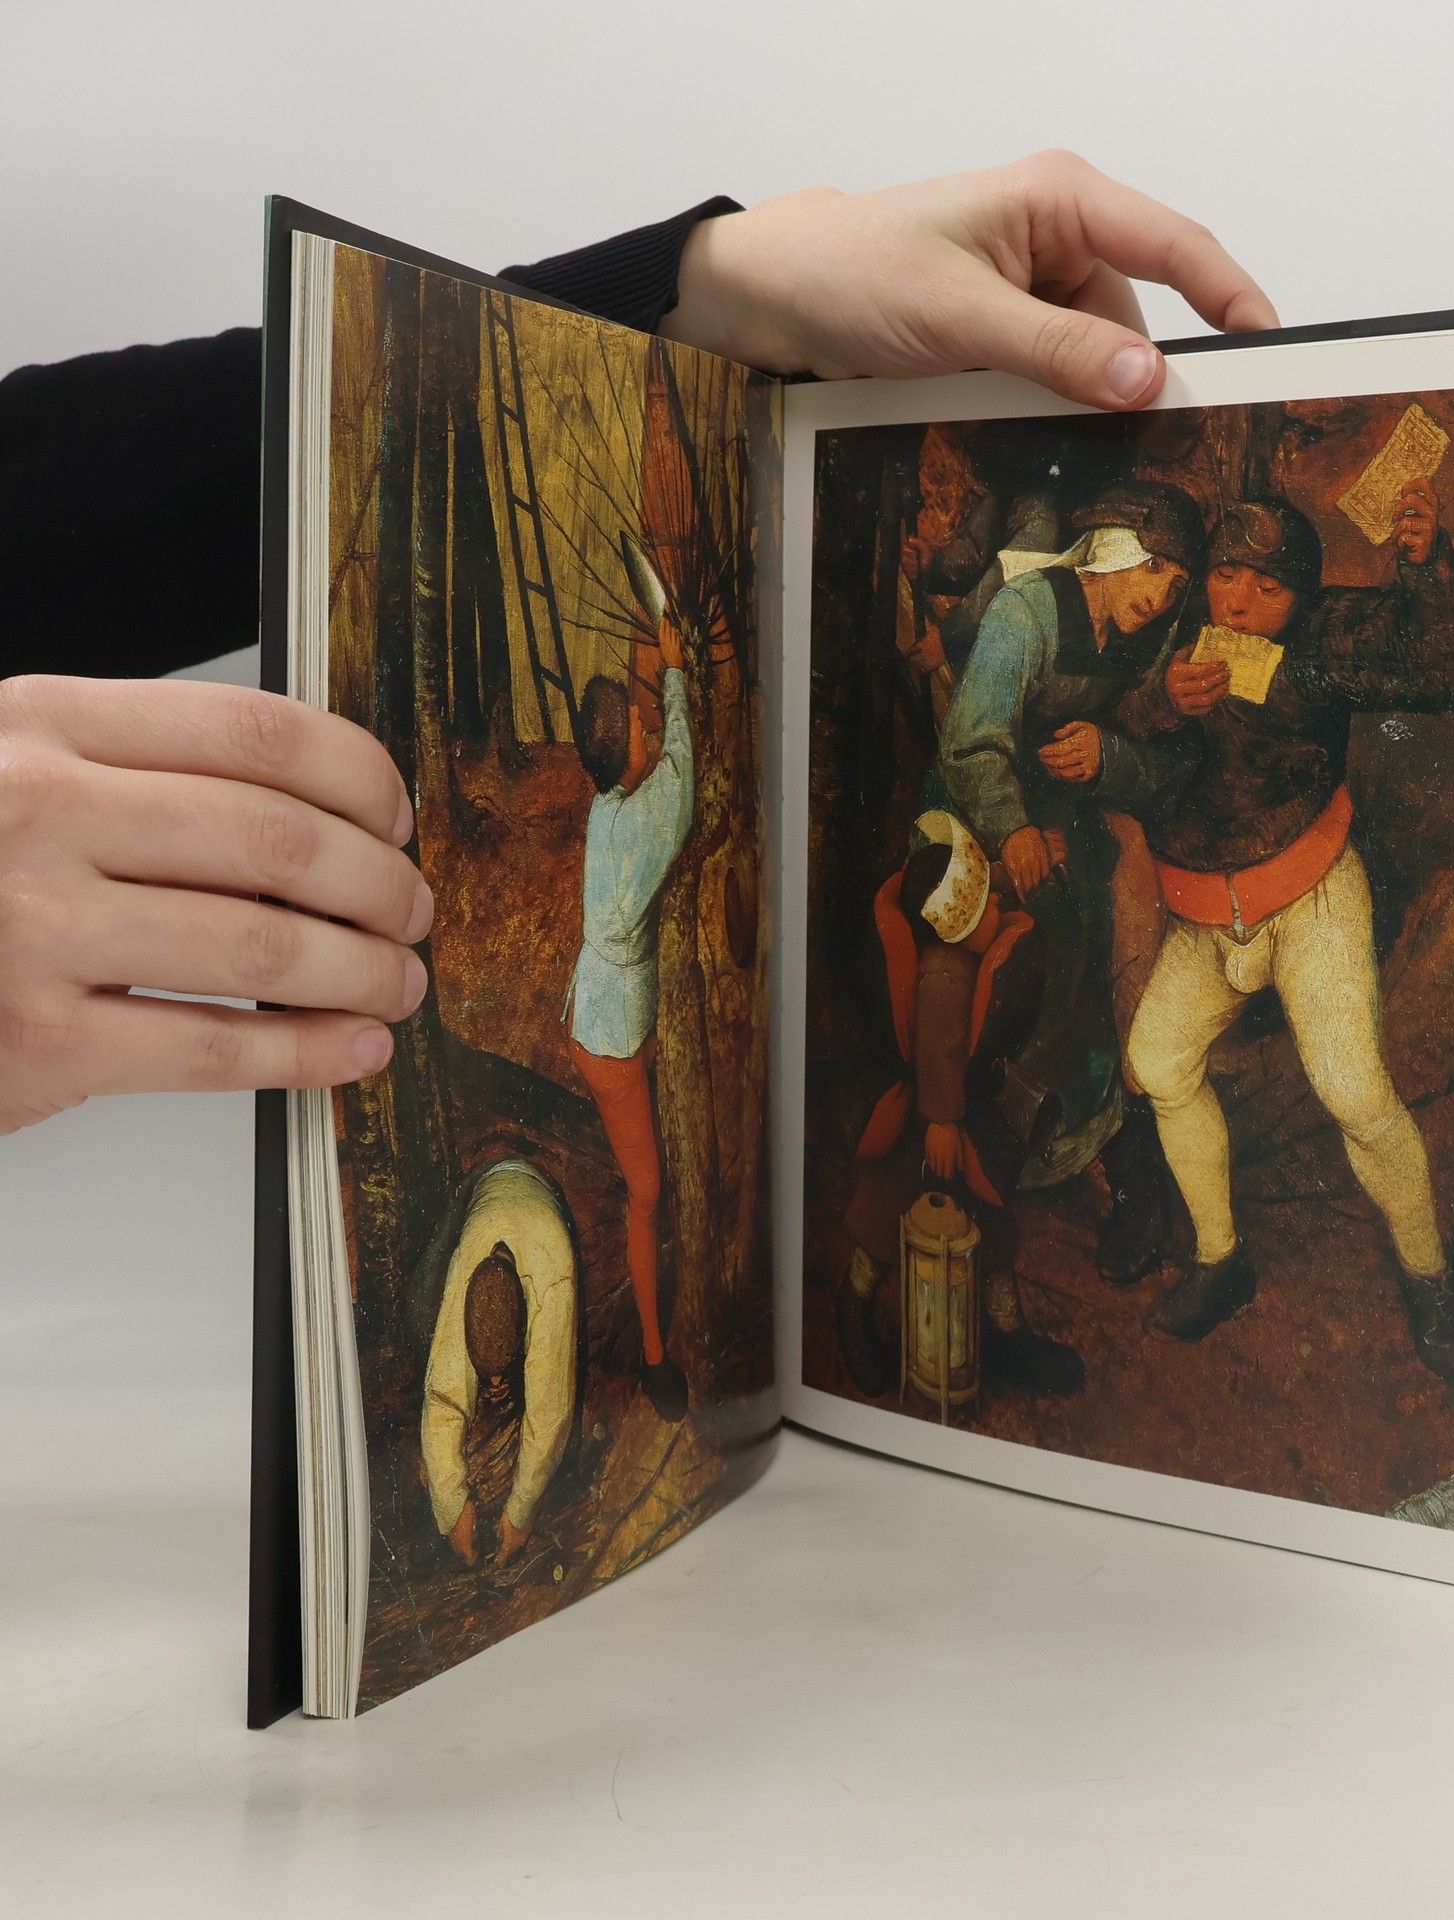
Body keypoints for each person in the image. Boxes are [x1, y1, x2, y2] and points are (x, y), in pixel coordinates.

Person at [0, 154, 1278, 1141]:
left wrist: (692, 289)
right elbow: (952, 730)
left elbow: (62, 499)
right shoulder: (1006, 625)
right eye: (1155, 576)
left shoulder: (646, 794)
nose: (1159, 600)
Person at [1113, 484, 1454, 1388]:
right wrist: (1162, 702)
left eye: (1268, 587)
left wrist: (1428, 567)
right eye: (1226, 576)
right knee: (1159, 1065)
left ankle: (1432, 1278)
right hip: (1205, 915)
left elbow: (1450, 666)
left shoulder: (1326, 636)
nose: (1240, 603)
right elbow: (1103, 715)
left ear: (1300, 594)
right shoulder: (1174, 627)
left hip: (1309, 894)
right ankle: (1222, 1260)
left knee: (1355, 1093)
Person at [932, 480, 1201, 1288]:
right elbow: (970, 743)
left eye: (1175, 583)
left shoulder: (1151, 640)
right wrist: (1012, 829)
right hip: (977, 817)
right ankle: (994, 1158)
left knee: (1111, 941)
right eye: (1150, 568)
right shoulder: (1028, 613)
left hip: (1069, 821)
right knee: (1048, 949)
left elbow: (1166, 765)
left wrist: (1107, 757)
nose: (1158, 596)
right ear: (1112, 551)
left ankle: (1117, 1165)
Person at [838, 810, 1081, 1399]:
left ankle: (1007, 1333)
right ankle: (853, 1311)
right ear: (959, 928)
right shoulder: (945, 972)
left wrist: (1029, 864)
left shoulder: (958, 925)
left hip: (959, 1110)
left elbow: (985, 890)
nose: (996, 905)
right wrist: (942, 1121)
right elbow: (939, 1039)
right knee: (883, 1224)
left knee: (990, 1229)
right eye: (984, 906)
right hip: (923, 1123)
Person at [564, 593, 695, 1423]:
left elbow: (655, 755)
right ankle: (653, 1354)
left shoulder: (608, 804)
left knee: (642, 1153)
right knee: (646, 1192)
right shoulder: (649, 819)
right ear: (628, 753)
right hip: (608, 1036)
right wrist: (675, 672)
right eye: (641, 727)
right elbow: (682, 767)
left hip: (607, 1003)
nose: (649, 727)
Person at [420, 1158, 580, 1567]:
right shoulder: (466, 1265)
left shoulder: (553, 1278)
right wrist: (451, 1507)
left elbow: (550, 1413)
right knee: (417, 1315)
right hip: (484, 1183)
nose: (493, 1388)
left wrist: (520, 1514)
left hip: (543, 1191)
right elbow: (442, 1395)